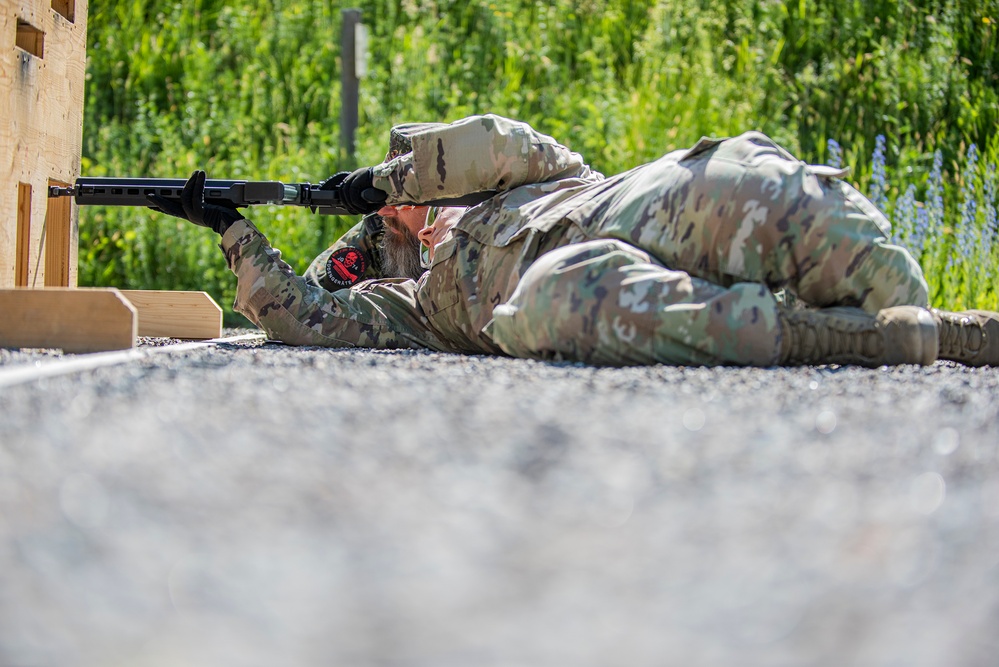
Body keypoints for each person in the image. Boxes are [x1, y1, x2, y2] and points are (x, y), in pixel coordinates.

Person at [148, 115, 999, 368]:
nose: (393, 221)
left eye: (396, 209)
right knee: (566, 302)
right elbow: (307, 319)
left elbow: (495, 140)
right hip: (562, 283)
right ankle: (857, 340)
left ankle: (927, 323)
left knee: (760, 189)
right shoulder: (414, 305)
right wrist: (232, 230)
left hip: (629, 207)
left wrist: (390, 176)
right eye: (382, 229)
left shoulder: (520, 172)